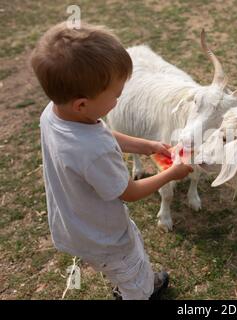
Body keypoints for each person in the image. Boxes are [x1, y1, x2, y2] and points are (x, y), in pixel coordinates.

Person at [30, 22, 193, 300]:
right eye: (116, 95)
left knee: (122, 267)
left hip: (75, 224)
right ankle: (139, 290)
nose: (118, 100)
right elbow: (129, 192)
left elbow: (103, 132)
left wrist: (148, 146)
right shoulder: (94, 151)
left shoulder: (55, 113)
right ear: (82, 103)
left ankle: (132, 281)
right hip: (105, 237)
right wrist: (171, 174)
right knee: (130, 269)